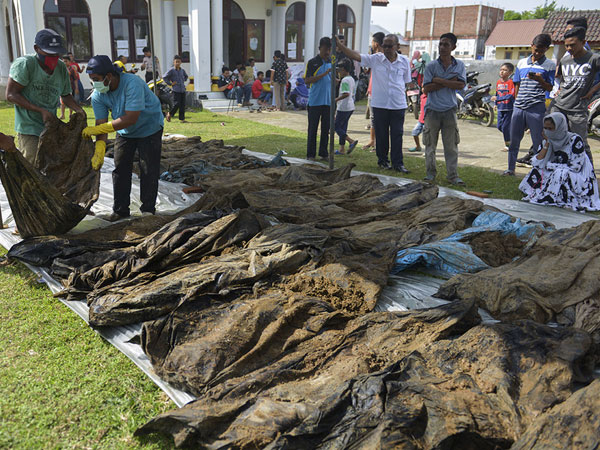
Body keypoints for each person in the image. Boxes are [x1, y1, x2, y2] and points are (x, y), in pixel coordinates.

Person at [83, 55, 164, 221]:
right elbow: (101, 122)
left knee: (148, 168)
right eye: (91, 80)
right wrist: (100, 147)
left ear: (109, 76)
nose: (94, 83)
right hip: (125, 131)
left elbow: (131, 118)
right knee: (120, 168)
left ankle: (148, 210)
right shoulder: (98, 95)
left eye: (96, 79)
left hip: (149, 127)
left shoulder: (132, 83)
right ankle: (120, 210)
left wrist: (101, 128)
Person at [5, 28, 84, 164]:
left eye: (56, 54)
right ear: (37, 49)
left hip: (50, 127)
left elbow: (65, 96)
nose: (54, 58)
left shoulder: (61, 68)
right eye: (49, 53)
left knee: (52, 166)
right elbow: (11, 95)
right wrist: (40, 110)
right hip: (29, 127)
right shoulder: (25, 64)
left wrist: (78, 109)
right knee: (33, 166)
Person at [336, 34, 412, 173]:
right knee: (381, 134)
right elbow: (356, 56)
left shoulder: (404, 61)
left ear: (397, 46)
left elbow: (406, 81)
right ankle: (383, 161)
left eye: (390, 46)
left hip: (397, 104)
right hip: (380, 105)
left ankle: (398, 164)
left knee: (397, 134)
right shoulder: (376, 59)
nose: (387, 49)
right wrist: (341, 47)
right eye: (385, 46)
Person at [519, 112, 599, 211]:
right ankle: (539, 194)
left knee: (560, 173)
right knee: (538, 170)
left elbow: (575, 166)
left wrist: (550, 166)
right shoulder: (548, 140)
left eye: (551, 129)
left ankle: (554, 197)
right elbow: (536, 162)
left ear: (559, 127)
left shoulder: (574, 140)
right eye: (545, 128)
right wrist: (547, 143)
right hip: (556, 168)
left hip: (577, 174)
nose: (548, 132)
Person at [504, 34, 555, 176]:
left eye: (541, 51)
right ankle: (510, 168)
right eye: (536, 49)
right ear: (531, 45)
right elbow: (517, 85)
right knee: (514, 140)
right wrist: (516, 103)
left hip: (536, 107)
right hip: (519, 106)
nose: (537, 53)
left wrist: (540, 80)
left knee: (538, 141)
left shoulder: (549, 65)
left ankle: (537, 170)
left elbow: (550, 88)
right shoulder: (521, 63)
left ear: (546, 49)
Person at [421, 33, 467, 184]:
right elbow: (426, 88)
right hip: (432, 110)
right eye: (440, 44)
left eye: (446, 45)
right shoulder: (431, 66)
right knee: (430, 145)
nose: (442, 48)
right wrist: (449, 81)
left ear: (453, 47)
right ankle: (430, 173)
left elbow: (461, 85)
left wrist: (439, 80)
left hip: (449, 110)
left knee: (451, 146)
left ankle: (453, 175)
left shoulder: (459, 65)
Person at [552, 26, 600, 165]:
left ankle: (589, 175)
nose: (568, 48)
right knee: (554, 139)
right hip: (559, 106)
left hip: (578, 110)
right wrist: (559, 89)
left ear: (583, 41)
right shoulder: (565, 60)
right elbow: (561, 79)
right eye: (566, 45)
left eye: (572, 45)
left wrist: (593, 90)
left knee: (581, 143)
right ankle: (558, 170)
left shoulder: (593, 59)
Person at [304, 37, 332, 161]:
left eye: (329, 50)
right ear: (319, 48)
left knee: (326, 129)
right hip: (315, 101)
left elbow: (333, 78)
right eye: (325, 49)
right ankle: (311, 154)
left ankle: (324, 153)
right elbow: (307, 80)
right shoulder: (312, 62)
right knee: (313, 129)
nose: (327, 52)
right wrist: (323, 74)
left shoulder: (332, 61)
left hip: (328, 101)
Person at [363, 31, 384, 151]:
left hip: (378, 92)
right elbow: (369, 73)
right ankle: (372, 140)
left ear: (375, 43)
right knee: (373, 118)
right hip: (372, 90)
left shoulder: (380, 57)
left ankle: (378, 143)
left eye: (372, 41)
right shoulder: (373, 56)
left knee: (378, 118)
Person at [334, 59, 358, 155]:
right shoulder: (350, 79)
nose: (338, 72)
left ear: (343, 69)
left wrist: (336, 99)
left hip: (343, 107)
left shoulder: (345, 80)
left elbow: (346, 93)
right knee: (343, 127)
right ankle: (341, 149)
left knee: (336, 127)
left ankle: (350, 141)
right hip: (350, 107)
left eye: (339, 70)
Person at [490, 62, 515, 152]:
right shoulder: (498, 82)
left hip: (509, 108)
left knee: (505, 127)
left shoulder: (511, 82)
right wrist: (496, 103)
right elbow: (497, 93)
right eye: (501, 70)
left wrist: (498, 98)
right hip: (500, 108)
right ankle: (510, 136)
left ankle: (507, 145)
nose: (502, 72)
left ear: (510, 72)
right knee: (500, 126)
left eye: (505, 70)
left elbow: (511, 95)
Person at [162, 55, 189, 123]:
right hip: (176, 90)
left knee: (182, 105)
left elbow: (186, 76)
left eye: (179, 62)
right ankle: (170, 114)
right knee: (176, 104)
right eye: (176, 62)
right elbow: (164, 77)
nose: (177, 63)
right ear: (174, 62)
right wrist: (171, 84)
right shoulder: (171, 70)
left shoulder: (182, 70)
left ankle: (182, 119)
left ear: (181, 62)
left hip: (182, 89)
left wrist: (183, 80)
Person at [59, 55, 79, 120]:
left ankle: (70, 114)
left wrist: (76, 88)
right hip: (62, 88)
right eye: (63, 61)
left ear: (69, 62)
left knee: (71, 101)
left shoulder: (72, 69)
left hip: (71, 88)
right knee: (62, 102)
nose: (64, 63)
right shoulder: (60, 69)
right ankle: (62, 115)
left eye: (66, 61)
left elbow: (75, 79)